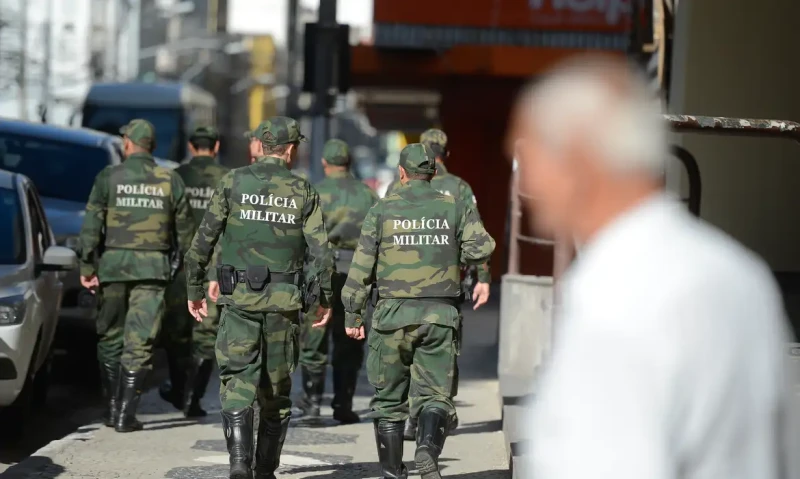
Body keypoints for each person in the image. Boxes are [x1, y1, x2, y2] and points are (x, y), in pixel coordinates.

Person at [515, 54, 796, 479]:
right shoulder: (740, 273)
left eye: (531, 160)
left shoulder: (617, 298)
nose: (526, 185)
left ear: (579, 158)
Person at [184, 116, 334, 479]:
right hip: (283, 305)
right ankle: (265, 470)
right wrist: (325, 299)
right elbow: (322, 253)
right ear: (291, 149)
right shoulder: (303, 191)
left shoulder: (233, 181)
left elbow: (202, 240)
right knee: (276, 391)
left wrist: (194, 288)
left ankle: (239, 464)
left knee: (237, 382)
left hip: (239, 301)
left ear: (261, 146)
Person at [342, 143, 495, 479]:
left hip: (392, 316)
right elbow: (482, 247)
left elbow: (361, 267)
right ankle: (427, 448)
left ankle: (394, 472)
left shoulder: (382, 210)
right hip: (440, 316)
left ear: (401, 173)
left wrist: (352, 314)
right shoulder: (453, 206)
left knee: (388, 401)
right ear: (433, 172)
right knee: (436, 395)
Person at [79, 119, 194, 432]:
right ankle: (125, 415)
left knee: (110, 337)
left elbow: (91, 226)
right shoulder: (170, 180)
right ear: (152, 146)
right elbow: (186, 233)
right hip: (153, 271)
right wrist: (184, 269)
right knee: (140, 342)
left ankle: (111, 407)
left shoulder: (109, 176)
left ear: (128, 143)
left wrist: (87, 267)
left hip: (113, 267)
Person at [388, 128, 492, 440]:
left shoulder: (398, 185)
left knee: (405, 347)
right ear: (445, 154)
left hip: (401, 284)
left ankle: (412, 412)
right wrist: (483, 278)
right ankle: (436, 409)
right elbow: (477, 236)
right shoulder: (460, 187)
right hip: (446, 282)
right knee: (442, 347)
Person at [295, 138, 378, 424]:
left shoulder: (314, 192)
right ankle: (343, 404)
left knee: (314, 338)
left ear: (324, 163)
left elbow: (301, 237)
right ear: (349, 163)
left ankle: (312, 402)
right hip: (356, 274)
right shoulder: (367, 195)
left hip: (320, 273)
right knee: (349, 341)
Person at [159, 125, 230, 417]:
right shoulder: (228, 178)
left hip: (182, 263)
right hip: (215, 264)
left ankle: (178, 389)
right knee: (206, 332)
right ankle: (194, 398)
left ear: (191, 147)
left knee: (177, 330)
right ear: (215, 147)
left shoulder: (177, 176)